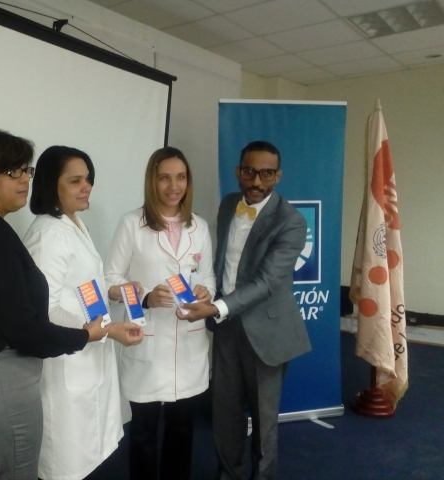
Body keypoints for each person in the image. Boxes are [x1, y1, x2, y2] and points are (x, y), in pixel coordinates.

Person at [0, 131, 111, 480]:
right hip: (2, 376)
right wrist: (85, 335)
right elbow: (24, 326)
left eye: (25, 170)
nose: (24, 180)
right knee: (16, 468)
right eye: (13, 172)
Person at [176, 141, 311, 480]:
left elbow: (267, 282)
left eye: (266, 173)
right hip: (225, 326)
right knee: (225, 412)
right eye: (249, 171)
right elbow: (221, 262)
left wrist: (215, 307)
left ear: (278, 176)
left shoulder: (291, 222)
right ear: (239, 171)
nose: (256, 181)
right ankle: (228, 474)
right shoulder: (228, 205)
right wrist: (206, 291)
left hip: (266, 331)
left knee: (264, 421)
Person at [23, 146, 143, 480]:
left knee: (92, 457)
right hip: (66, 365)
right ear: (52, 185)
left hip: (89, 356)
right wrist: (104, 330)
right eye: (75, 180)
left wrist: (115, 292)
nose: (86, 187)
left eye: (88, 179)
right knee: (67, 463)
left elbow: (79, 289)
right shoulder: (48, 234)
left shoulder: (73, 223)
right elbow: (45, 310)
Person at [104, 147, 215, 480]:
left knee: (182, 431)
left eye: (180, 177)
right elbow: (109, 280)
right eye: (164, 178)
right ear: (152, 181)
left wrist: (205, 292)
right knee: (143, 433)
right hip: (148, 341)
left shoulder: (199, 226)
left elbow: (209, 277)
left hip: (189, 344)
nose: (173, 186)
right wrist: (144, 298)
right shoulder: (132, 224)